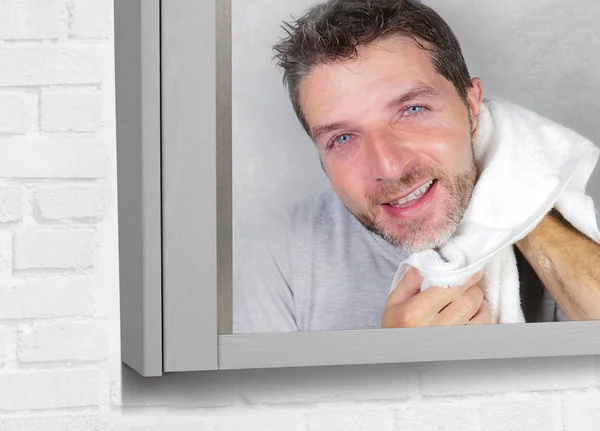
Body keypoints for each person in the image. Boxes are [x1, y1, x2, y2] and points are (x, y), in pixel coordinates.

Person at [233, 0, 600, 333]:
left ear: (472, 109)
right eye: (342, 138)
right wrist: (400, 367)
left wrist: (521, 201)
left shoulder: (562, 216)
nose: (390, 168)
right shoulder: (278, 255)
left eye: (412, 110)